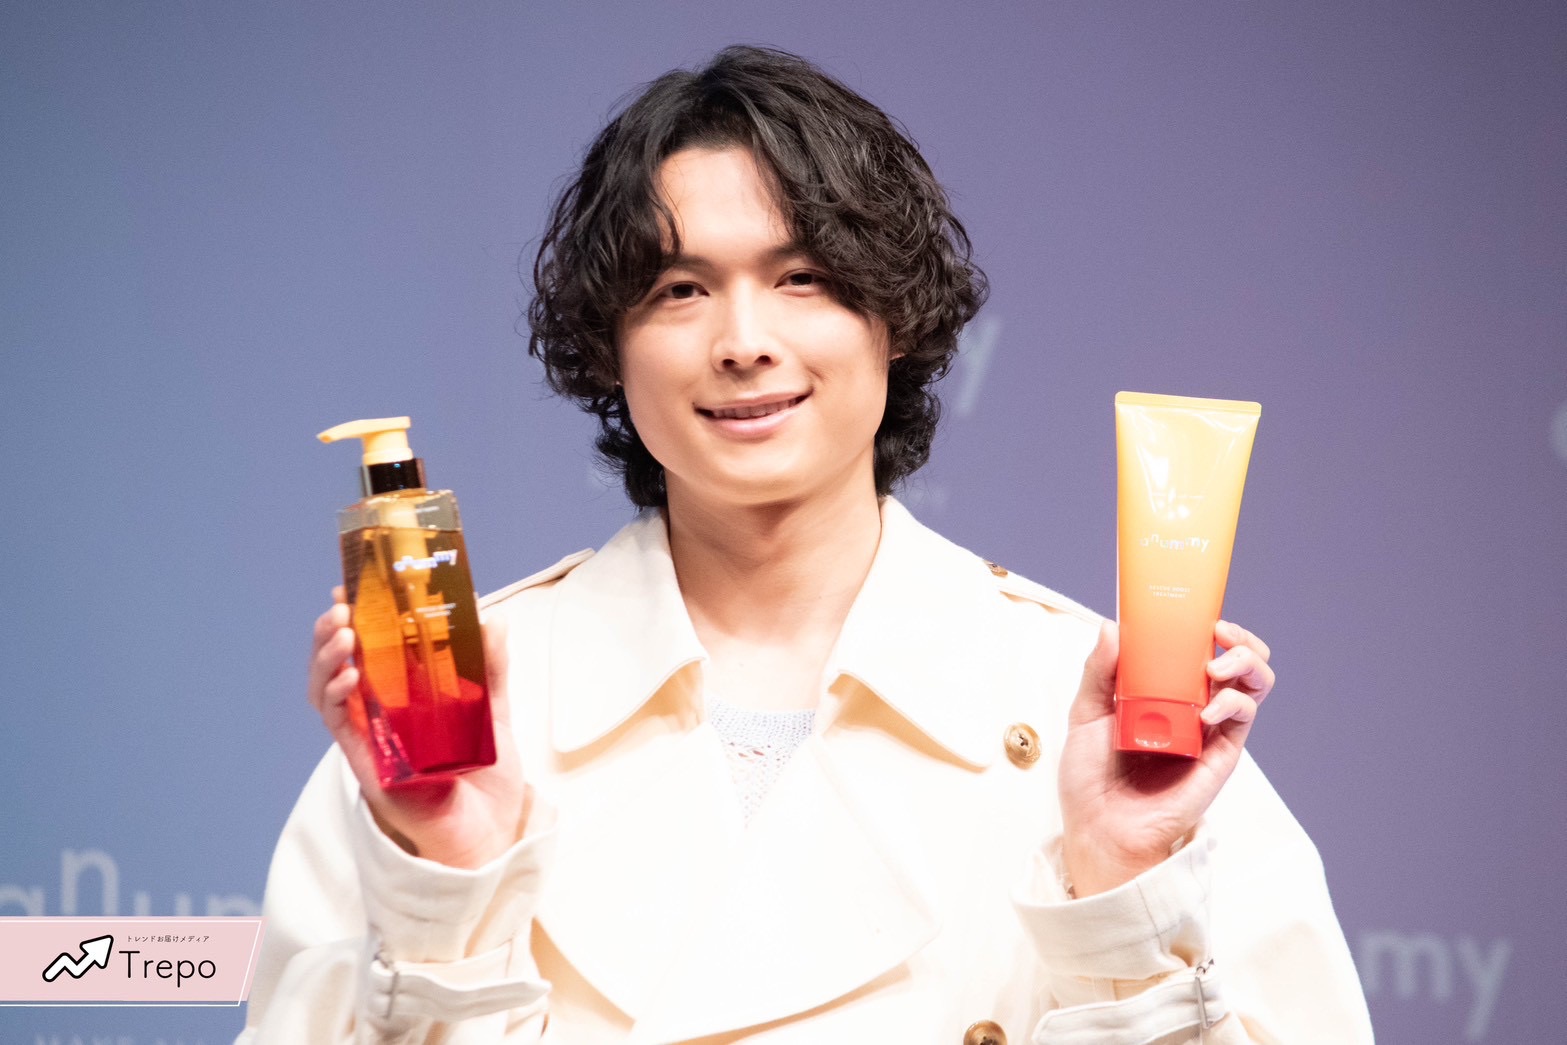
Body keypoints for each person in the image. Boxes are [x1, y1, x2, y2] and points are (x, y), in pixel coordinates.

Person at [240, 46, 1373, 1044]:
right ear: (610, 348)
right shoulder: (465, 710)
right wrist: (449, 883)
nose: (743, 341)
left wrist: (1121, 885)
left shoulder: (1088, 706)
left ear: (895, 320)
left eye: (802, 280)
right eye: (679, 289)